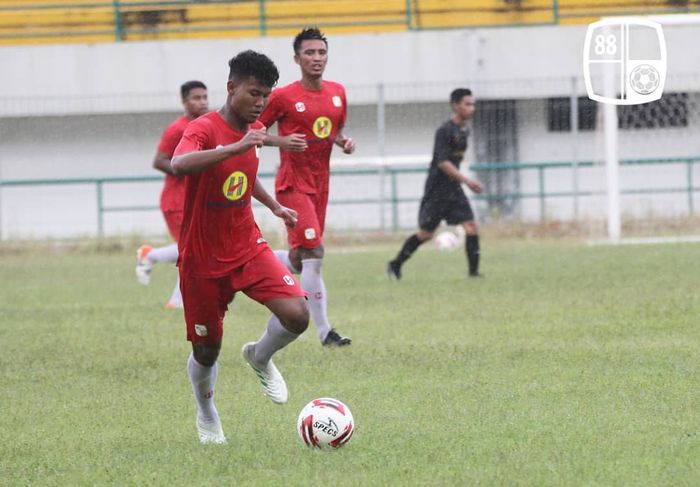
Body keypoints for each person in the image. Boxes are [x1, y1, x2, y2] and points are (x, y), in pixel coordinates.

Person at [170, 50, 309, 445]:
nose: (261, 103)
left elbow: (244, 175)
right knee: (207, 350)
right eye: (254, 93)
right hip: (201, 261)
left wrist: (274, 205)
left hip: (247, 246)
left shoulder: (254, 129)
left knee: (297, 314)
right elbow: (180, 165)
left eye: (266, 95)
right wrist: (236, 146)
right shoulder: (203, 128)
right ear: (232, 88)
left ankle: (260, 356)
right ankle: (207, 411)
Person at [259, 27, 355, 347]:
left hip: (321, 185)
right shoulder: (284, 96)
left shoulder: (338, 91)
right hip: (293, 185)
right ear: (297, 59)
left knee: (301, 258)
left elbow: (333, 127)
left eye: (321, 53)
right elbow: (254, 132)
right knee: (315, 253)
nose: (316, 58)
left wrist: (342, 141)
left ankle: (252, 260)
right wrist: (281, 140)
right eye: (310, 53)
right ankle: (325, 332)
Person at [387, 88, 484, 280]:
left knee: (471, 226)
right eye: (467, 104)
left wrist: (461, 182)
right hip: (437, 191)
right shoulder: (444, 130)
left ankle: (474, 274)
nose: (472, 108)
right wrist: (467, 181)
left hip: (454, 189)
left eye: (473, 104)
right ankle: (395, 264)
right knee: (426, 234)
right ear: (455, 105)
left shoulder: (465, 130)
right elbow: (443, 162)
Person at [135, 80, 209, 309]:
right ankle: (152, 257)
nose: (203, 102)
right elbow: (159, 161)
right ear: (184, 102)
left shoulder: (206, 124)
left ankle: (175, 297)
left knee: (195, 250)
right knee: (193, 250)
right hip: (176, 201)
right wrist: (186, 169)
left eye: (205, 97)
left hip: (193, 200)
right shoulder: (178, 128)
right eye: (196, 98)